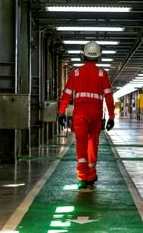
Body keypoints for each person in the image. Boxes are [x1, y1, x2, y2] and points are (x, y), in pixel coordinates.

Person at [58, 41, 115, 189]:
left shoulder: (76, 73)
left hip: (80, 114)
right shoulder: (103, 74)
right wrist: (111, 116)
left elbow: (66, 95)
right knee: (92, 144)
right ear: (98, 57)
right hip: (96, 114)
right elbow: (109, 97)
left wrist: (61, 112)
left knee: (81, 144)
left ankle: (83, 178)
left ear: (83, 55)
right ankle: (91, 175)